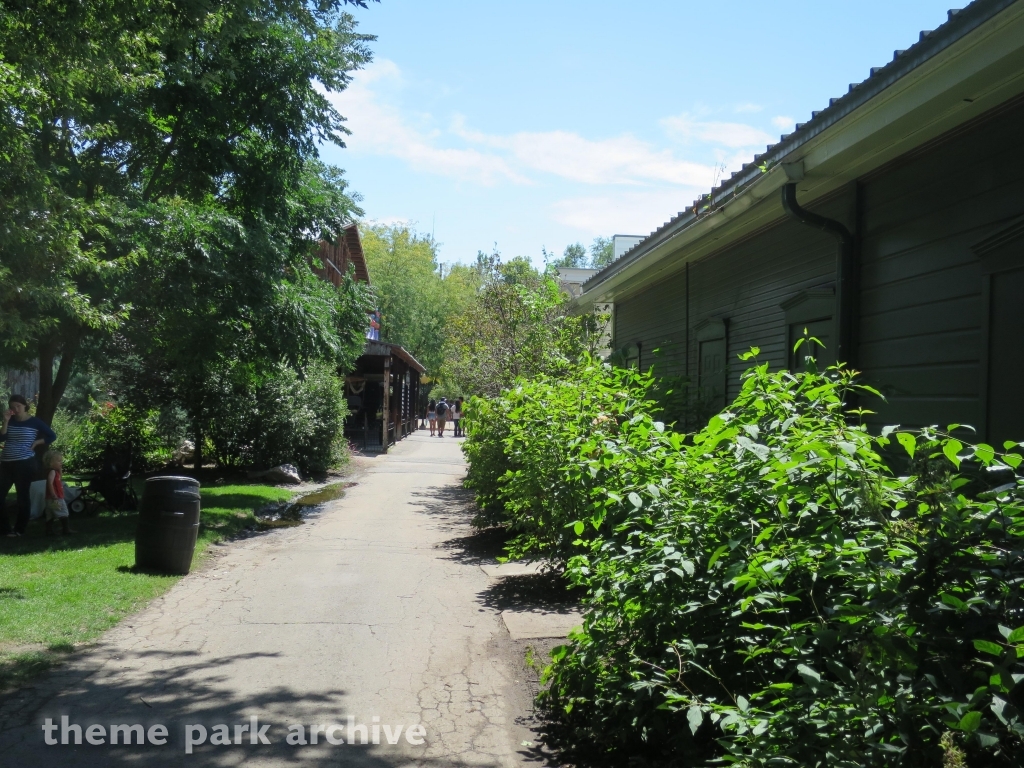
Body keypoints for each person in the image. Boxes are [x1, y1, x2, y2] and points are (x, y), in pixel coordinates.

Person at [1, 394, 57, 537]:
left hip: (25, 463)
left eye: (18, 406)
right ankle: (5, 529)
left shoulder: (34, 422)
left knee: (22, 496)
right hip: (6, 463)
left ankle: (19, 529)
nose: (15, 409)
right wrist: (5, 421)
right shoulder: (10, 420)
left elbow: (52, 436)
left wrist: (37, 442)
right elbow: (2, 438)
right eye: (12, 407)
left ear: (25, 406)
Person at [42, 449, 73, 536]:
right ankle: (66, 529)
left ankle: (49, 530)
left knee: (50, 514)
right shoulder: (52, 472)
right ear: (51, 463)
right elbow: (50, 483)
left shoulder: (55, 472)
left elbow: (60, 479)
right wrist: (53, 494)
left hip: (50, 498)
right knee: (63, 512)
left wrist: (60, 469)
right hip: (55, 497)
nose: (61, 462)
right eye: (58, 461)